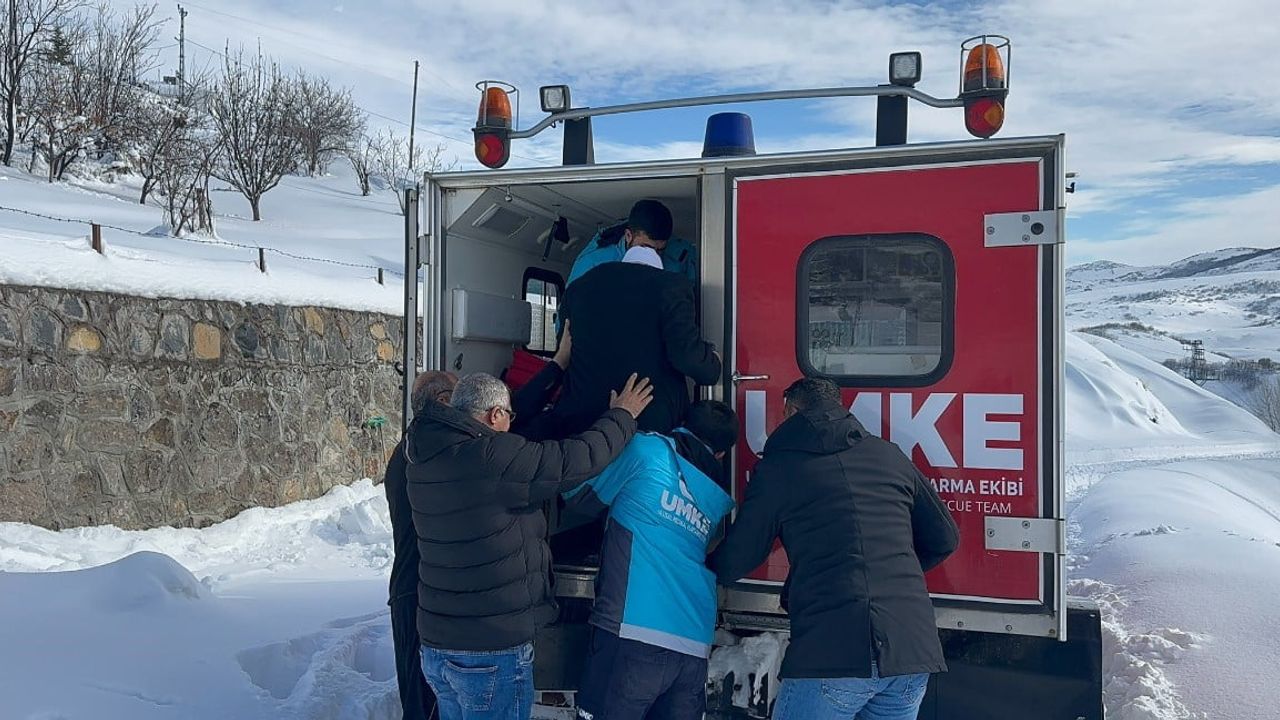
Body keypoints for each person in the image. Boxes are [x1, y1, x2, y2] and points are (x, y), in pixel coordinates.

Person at [405, 371, 655, 720]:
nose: (511, 424)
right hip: (490, 649)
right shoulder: (493, 456)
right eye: (509, 415)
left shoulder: (423, 455)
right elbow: (574, 460)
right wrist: (622, 416)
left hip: (437, 646)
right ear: (495, 415)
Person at [710, 378, 960, 720]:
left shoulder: (780, 469)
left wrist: (697, 562)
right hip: (910, 650)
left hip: (833, 649)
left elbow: (737, 559)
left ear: (789, 410)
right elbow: (945, 538)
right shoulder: (889, 455)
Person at [562, 400, 738, 720]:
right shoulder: (715, 497)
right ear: (721, 455)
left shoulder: (646, 451)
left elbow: (575, 492)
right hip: (693, 643)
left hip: (632, 630)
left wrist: (614, 418)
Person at [552, 199, 721, 436]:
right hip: (649, 419)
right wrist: (712, 360)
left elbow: (565, 339)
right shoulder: (672, 287)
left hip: (585, 416)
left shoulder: (581, 285)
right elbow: (687, 354)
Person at [384, 371, 457, 720]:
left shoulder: (413, 447)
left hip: (413, 590)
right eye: (460, 396)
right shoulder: (423, 455)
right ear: (444, 401)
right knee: (422, 705)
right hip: (415, 592)